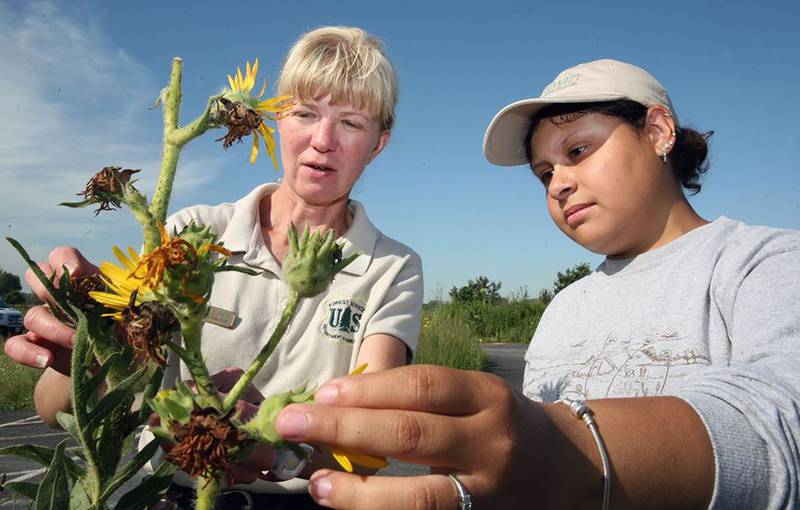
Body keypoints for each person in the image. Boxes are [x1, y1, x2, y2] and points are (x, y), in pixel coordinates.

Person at [269, 59, 800, 509]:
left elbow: (778, 426)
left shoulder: (762, 261)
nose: (560, 183)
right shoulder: (565, 308)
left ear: (658, 131)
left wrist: (574, 453)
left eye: (578, 151)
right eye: (544, 174)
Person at [4, 26, 423, 508]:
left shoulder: (392, 268)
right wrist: (87, 341)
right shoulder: (190, 234)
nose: (322, 140)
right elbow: (50, 410)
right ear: (278, 120)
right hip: (165, 495)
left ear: (379, 143)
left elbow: (370, 440)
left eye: (351, 123)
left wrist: (281, 450)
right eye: (305, 114)